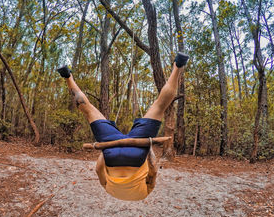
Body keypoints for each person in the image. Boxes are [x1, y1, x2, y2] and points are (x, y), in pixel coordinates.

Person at [57, 52, 189, 201]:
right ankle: (67, 77)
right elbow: (98, 169)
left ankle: (178, 66)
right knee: (88, 109)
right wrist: (105, 148)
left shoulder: (144, 193)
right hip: (112, 155)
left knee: (160, 106)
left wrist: (148, 148)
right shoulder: (109, 190)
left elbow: (153, 171)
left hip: (136, 155)